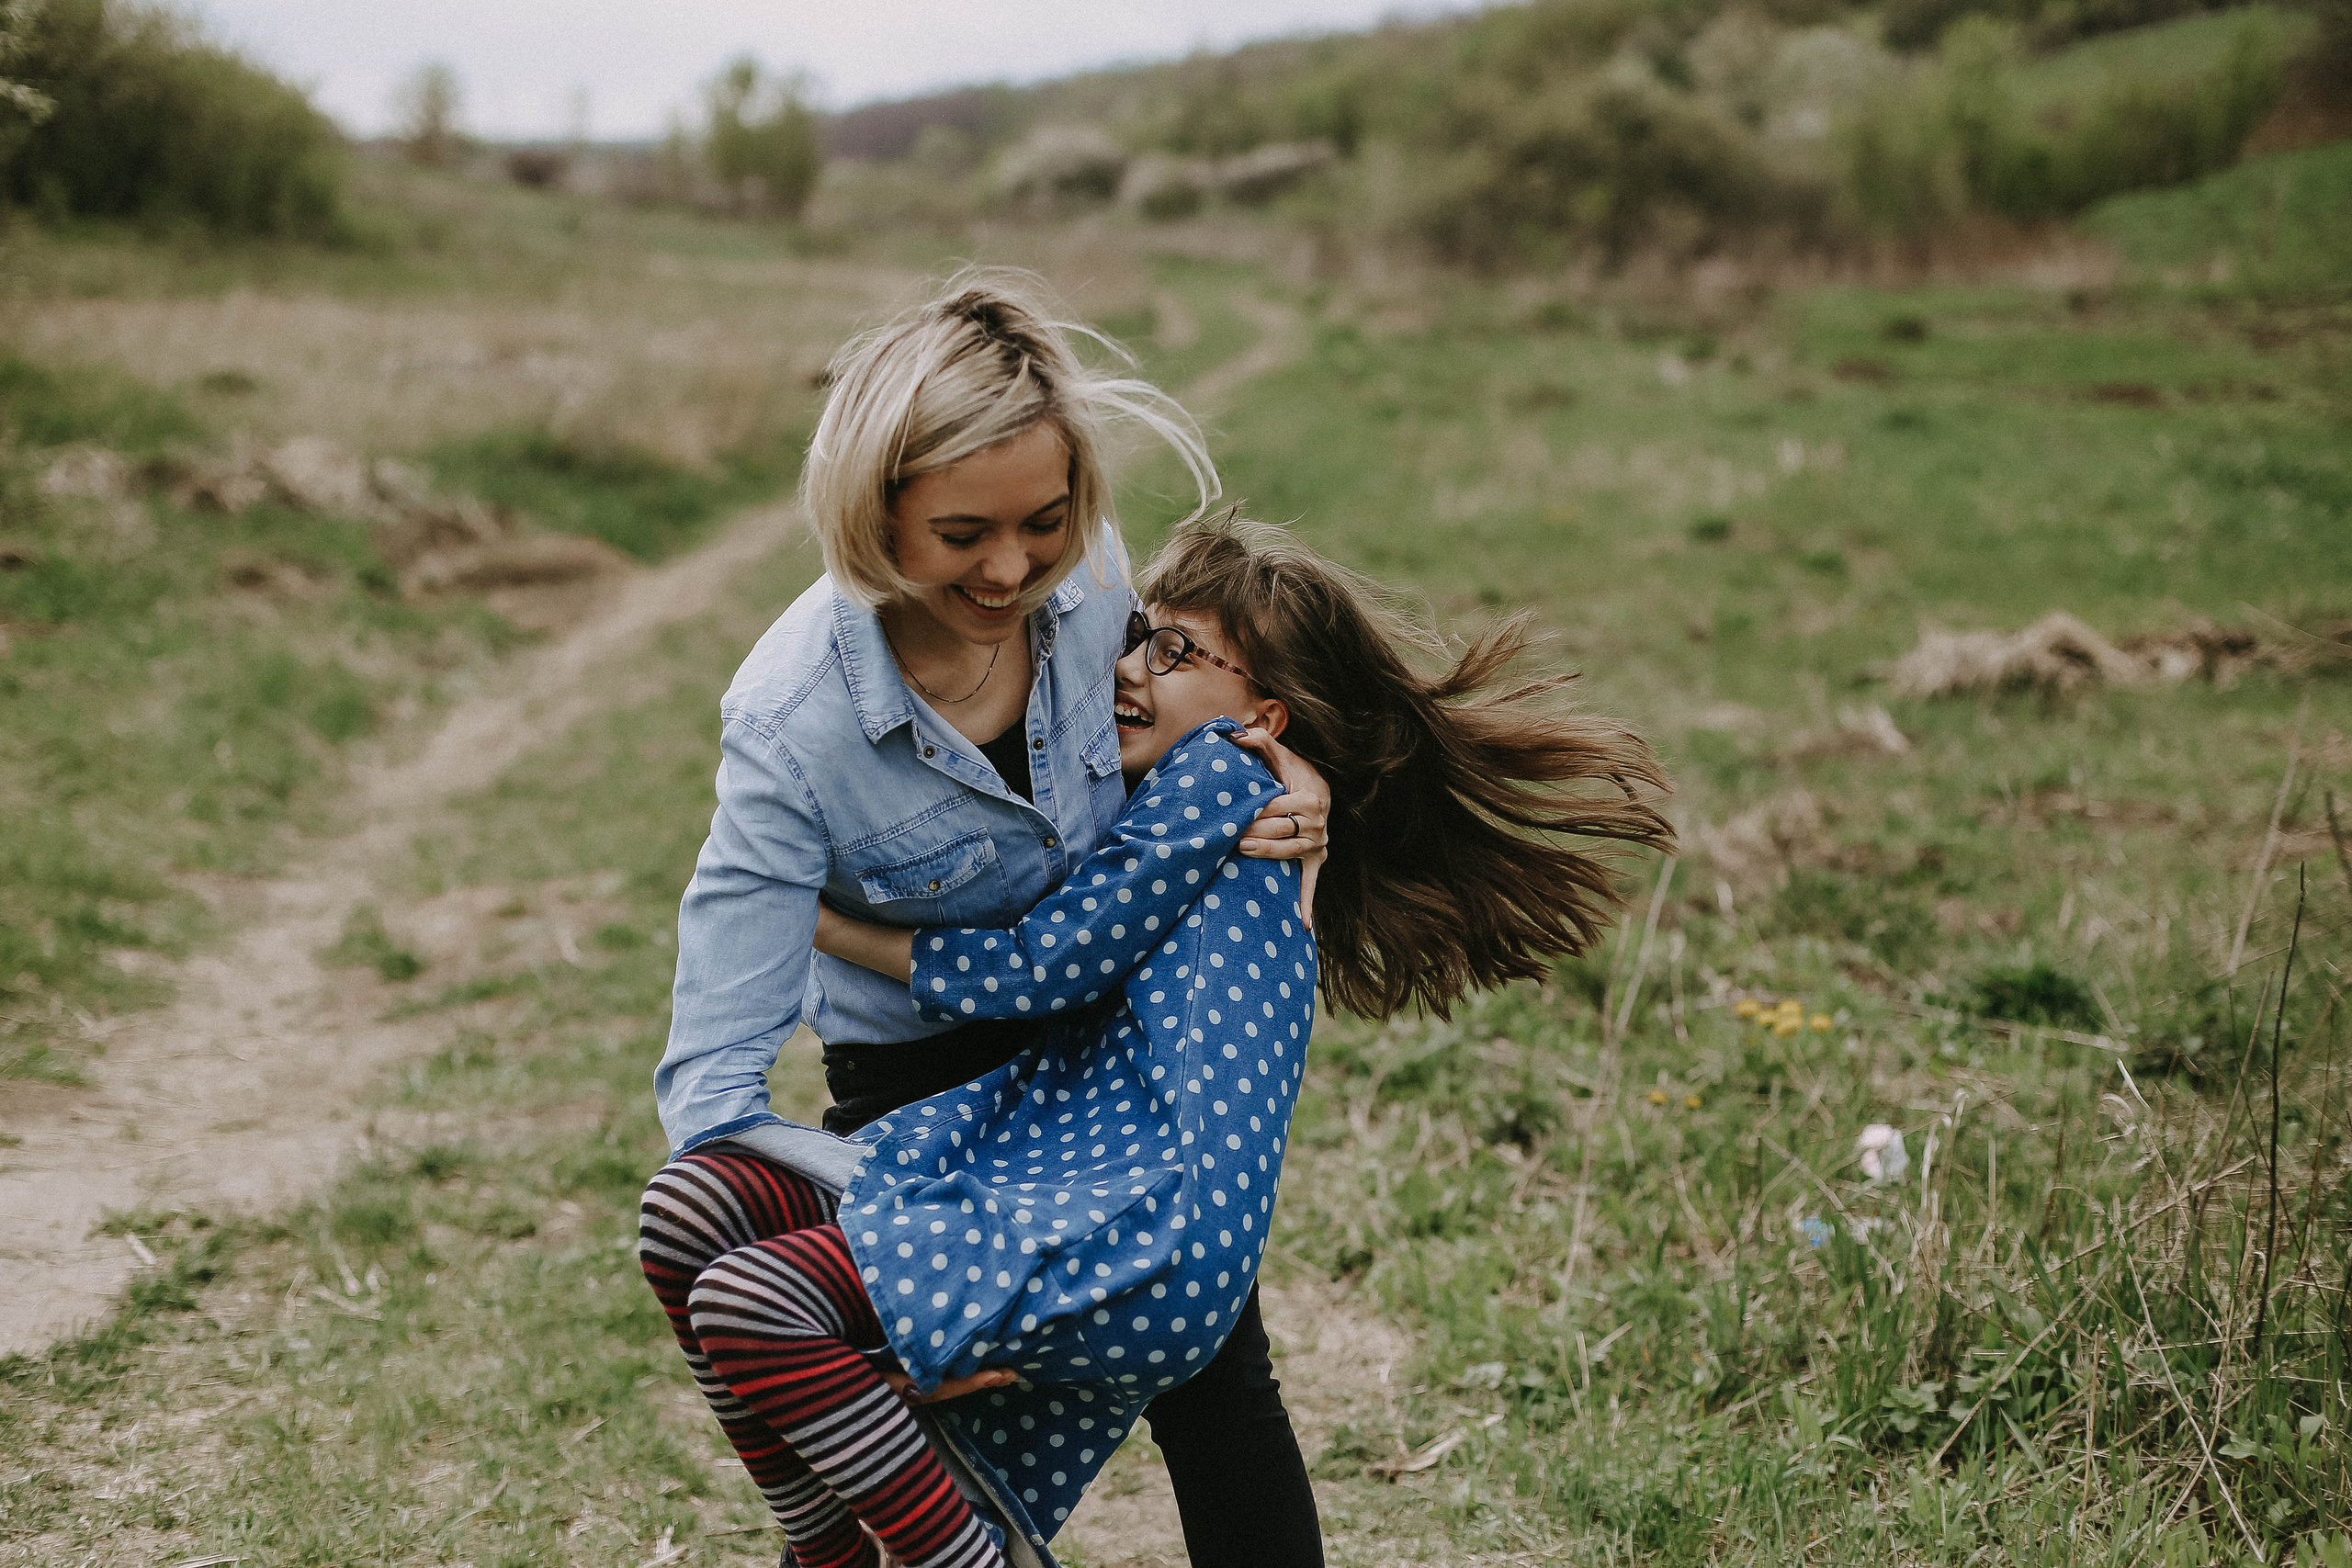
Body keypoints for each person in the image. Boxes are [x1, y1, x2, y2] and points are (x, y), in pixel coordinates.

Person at [647, 513, 1676, 1568]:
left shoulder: (1219, 784)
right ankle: (847, 1549)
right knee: (695, 1214)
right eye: (1142, 634)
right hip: (1062, 1162)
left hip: (1123, 1211)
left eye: (1175, 654)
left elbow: (1038, 965)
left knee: (761, 1305)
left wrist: (807, 915)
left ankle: (916, 1557)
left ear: (1263, 712)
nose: (1128, 667)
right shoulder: (1220, 788)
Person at [642, 274, 1334, 1568]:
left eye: (1047, 523)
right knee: (700, 1224)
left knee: (1221, 1386)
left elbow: (1218, 699)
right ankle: (861, 1547)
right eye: (962, 533)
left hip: (1105, 1051)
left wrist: (1289, 769)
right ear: (873, 511)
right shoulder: (791, 724)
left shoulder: (1100, 586)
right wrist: (923, 1246)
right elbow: (711, 1089)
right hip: (923, 1083)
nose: (1013, 569)